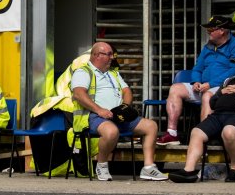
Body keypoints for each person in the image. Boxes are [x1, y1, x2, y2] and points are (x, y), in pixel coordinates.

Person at [70, 42, 167, 181]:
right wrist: (99, 110)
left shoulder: (113, 73)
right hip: (93, 116)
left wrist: (125, 107)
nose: (112, 58)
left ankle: (148, 168)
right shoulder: (83, 72)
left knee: (150, 126)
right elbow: (79, 94)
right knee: (111, 131)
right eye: (108, 54)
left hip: (117, 115)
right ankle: (102, 165)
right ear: (97, 55)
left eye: (112, 54)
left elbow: (126, 91)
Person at [168, 52, 235, 183]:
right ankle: (188, 171)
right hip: (219, 115)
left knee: (229, 131)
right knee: (196, 132)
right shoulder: (229, 80)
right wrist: (220, 94)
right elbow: (213, 103)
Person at [157, 15, 235, 146]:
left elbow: (234, 71)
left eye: (211, 29)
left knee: (207, 97)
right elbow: (197, 68)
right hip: (202, 86)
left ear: (222, 31)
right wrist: (196, 82)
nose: (208, 32)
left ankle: (204, 138)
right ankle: (172, 134)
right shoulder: (207, 46)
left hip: (222, 87)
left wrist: (210, 84)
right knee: (175, 88)